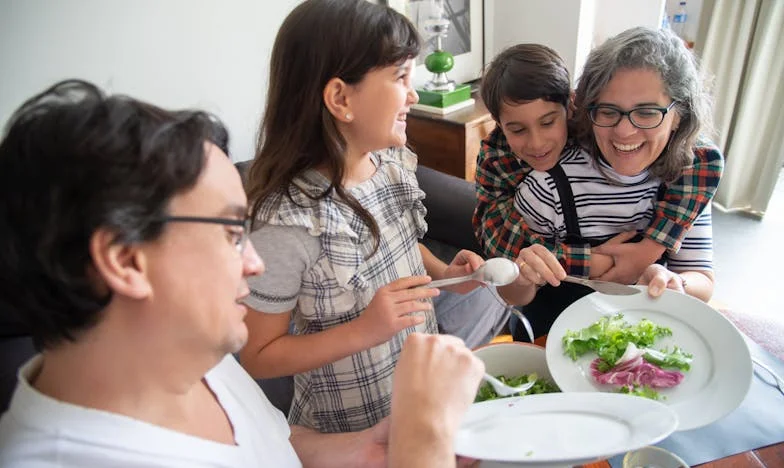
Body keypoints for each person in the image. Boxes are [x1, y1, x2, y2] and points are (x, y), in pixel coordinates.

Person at [0, 79, 486, 468]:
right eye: (232, 232)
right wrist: (425, 443)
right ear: (126, 260)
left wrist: (366, 450)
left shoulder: (192, 357)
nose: (254, 264)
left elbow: (268, 444)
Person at [238, 0, 547, 434]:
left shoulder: (387, 163)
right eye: (401, 77)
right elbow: (257, 353)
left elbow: (395, 244)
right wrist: (364, 330)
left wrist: (445, 273)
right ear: (341, 98)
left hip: (416, 396)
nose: (414, 93)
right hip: (349, 431)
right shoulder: (287, 220)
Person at [475, 36, 721, 338]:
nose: (625, 130)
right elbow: (514, 287)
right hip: (554, 338)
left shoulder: (689, 179)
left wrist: (673, 282)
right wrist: (587, 263)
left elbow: (702, 280)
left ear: (678, 115)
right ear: (587, 110)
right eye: (608, 111)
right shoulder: (548, 184)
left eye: (647, 112)